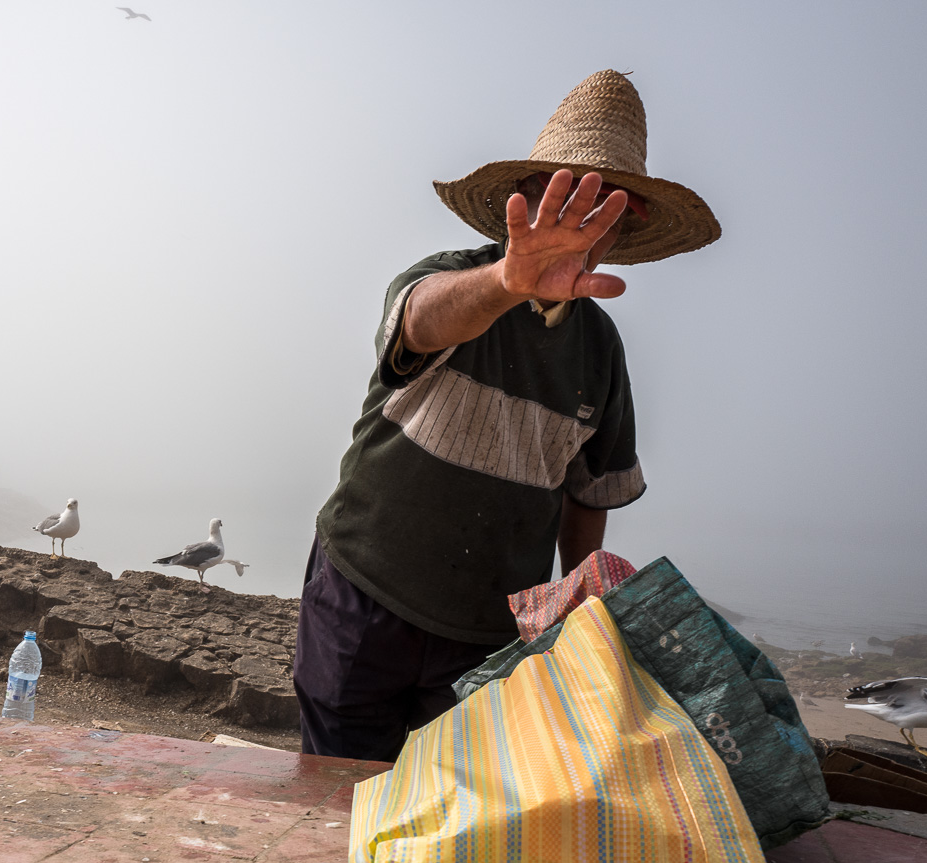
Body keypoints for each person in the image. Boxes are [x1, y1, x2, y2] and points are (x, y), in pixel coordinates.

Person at [294, 69, 720, 762]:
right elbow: (421, 322)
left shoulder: (601, 352)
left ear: (625, 226)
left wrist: (578, 615)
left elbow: (589, 494)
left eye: (605, 204)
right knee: (335, 797)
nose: (582, 220)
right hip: (364, 594)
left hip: (482, 636)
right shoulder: (451, 278)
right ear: (522, 198)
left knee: (448, 819)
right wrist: (506, 282)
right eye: (565, 193)